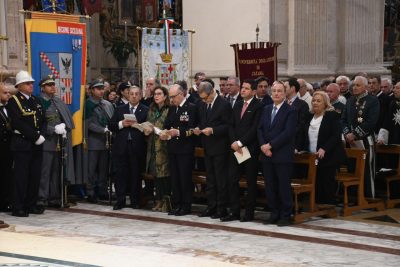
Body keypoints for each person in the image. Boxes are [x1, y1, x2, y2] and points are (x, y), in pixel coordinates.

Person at [258, 81, 297, 226]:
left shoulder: (291, 110)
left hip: (282, 155)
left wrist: (270, 145)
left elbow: (288, 133)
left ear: (285, 93)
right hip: (266, 155)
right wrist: (263, 145)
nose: (276, 93)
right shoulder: (267, 108)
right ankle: (274, 213)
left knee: (283, 186)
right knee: (270, 186)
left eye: (279, 91)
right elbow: (260, 128)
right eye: (274, 91)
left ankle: (286, 215)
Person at [7, 70, 45, 217]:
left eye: (31, 83)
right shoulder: (14, 101)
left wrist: (40, 134)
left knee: (35, 176)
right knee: (21, 177)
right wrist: (35, 136)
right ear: (19, 85)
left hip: (37, 143)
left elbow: (42, 119)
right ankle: (18, 206)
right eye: (28, 83)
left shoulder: (35, 100)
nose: (31, 85)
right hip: (22, 143)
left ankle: (31, 204)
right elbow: (17, 123)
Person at [224, 79, 263, 222]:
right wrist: (234, 141)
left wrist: (240, 142)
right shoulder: (238, 104)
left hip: (249, 149)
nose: (243, 90)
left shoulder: (259, 106)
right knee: (232, 180)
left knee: (250, 182)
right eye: (242, 88)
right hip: (235, 148)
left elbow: (255, 128)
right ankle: (234, 212)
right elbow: (231, 125)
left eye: (246, 88)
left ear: (253, 91)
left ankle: (248, 213)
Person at [194, 81, 231, 219]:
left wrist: (213, 130)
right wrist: (199, 128)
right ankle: (211, 206)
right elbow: (202, 122)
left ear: (212, 92)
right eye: (202, 98)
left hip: (220, 147)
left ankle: (221, 208)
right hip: (207, 147)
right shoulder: (203, 104)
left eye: (205, 97)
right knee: (210, 179)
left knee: (220, 180)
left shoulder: (223, 104)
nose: (204, 100)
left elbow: (228, 126)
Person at [37, 75, 74, 207]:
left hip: (59, 142)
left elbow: (65, 119)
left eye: (53, 84)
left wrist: (64, 127)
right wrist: (53, 129)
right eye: (49, 85)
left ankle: (54, 197)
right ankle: (42, 198)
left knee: (56, 171)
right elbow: (39, 124)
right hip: (47, 141)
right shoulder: (40, 101)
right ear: (42, 88)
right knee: (45, 172)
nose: (53, 87)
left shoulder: (57, 101)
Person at [109, 86, 148, 210]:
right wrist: (122, 124)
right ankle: (120, 200)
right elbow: (111, 125)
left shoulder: (145, 110)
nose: (134, 96)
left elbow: (149, 128)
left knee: (135, 175)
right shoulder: (120, 109)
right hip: (121, 147)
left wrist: (139, 126)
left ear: (140, 96)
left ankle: (135, 200)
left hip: (137, 147)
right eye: (131, 94)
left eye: (137, 94)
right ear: (128, 95)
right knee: (120, 175)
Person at [303, 91, 345, 204]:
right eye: (314, 100)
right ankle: (315, 203)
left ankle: (328, 204)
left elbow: (335, 136)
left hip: (329, 155)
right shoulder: (309, 116)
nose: (315, 103)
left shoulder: (332, 116)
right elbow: (303, 134)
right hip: (312, 155)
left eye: (318, 101)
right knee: (315, 180)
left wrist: (324, 148)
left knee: (326, 180)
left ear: (325, 103)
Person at [162, 83, 197, 216]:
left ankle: (186, 205)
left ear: (181, 94)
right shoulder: (172, 109)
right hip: (172, 148)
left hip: (185, 149)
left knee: (184, 178)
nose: (171, 100)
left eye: (173, 97)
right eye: (170, 97)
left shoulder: (191, 108)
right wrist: (164, 132)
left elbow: (192, 128)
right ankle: (177, 204)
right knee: (175, 178)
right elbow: (167, 124)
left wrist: (178, 132)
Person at [342, 76, 379, 198]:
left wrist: (355, 134)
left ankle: (368, 196)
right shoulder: (350, 101)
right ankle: (354, 197)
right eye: (353, 85)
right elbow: (343, 120)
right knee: (352, 168)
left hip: (365, 141)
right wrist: (347, 133)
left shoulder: (372, 100)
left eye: (358, 85)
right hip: (351, 141)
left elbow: (371, 121)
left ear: (365, 86)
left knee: (366, 170)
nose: (354, 87)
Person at [84, 79, 114, 203]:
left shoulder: (107, 104)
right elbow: (88, 124)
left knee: (104, 168)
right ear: (91, 90)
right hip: (93, 141)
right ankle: (90, 192)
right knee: (91, 169)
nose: (101, 91)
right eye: (98, 89)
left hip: (106, 141)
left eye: (102, 88)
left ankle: (103, 190)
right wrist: (103, 130)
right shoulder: (87, 104)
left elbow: (112, 119)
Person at [143, 86, 170, 212]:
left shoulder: (169, 109)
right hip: (152, 145)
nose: (156, 96)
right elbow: (149, 123)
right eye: (155, 94)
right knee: (156, 175)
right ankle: (158, 200)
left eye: (159, 94)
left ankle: (165, 202)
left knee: (164, 175)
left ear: (165, 96)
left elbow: (167, 127)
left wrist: (155, 129)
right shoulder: (152, 109)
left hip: (164, 147)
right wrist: (146, 129)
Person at [0, 82, 12, 212]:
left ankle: (5, 201)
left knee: (7, 176)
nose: (8, 94)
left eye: (9, 92)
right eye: (5, 92)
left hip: (8, 148)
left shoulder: (9, 108)